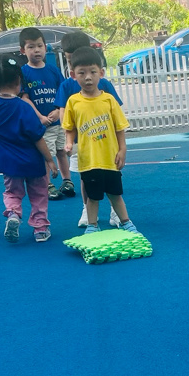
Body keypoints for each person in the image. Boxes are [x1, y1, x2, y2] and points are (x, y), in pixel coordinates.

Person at [0, 54, 58, 242]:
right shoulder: (24, 107)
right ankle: (40, 228)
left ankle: (14, 213)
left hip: (8, 164)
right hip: (33, 162)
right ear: (18, 80)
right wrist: (49, 159)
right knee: (39, 194)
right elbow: (37, 137)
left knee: (12, 193)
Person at [61, 47, 137, 235]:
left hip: (110, 159)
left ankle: (126, 222)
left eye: (93, 72)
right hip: (88, 161)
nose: (88, 77)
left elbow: (119, 128)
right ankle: (92, 225)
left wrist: (122, 150)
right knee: (92, 197)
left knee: (115, 194)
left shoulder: (109, 100)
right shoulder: (73, 102)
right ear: (73, 75)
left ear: (101, 73)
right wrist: (69, 143)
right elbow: (70, 128)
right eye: (82, 73)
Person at [54, 29, 124, 228]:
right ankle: (87, 209)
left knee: (112, 178)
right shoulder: (67, 86)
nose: (86, 77)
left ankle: (115, 212)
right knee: (86, 178)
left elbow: (116, 114)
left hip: (107, 144)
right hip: (83, 144)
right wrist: (69, 139)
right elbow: (63, 114)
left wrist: (121, 146)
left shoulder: (104, 85)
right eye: (69, 61)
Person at [17, 26, 74, 201]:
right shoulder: (24, 72)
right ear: (23, 50)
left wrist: (58, 111)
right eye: (31, 47)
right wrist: (40, 117)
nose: (37, 50)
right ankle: (47, 184)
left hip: (57, 122)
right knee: (46, 154)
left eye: (40, 46)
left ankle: (67, 181)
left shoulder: (53, 70)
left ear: (45, 47)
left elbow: (62, 93)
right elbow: (25, 98)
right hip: (41, 125)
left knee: (61, 151)